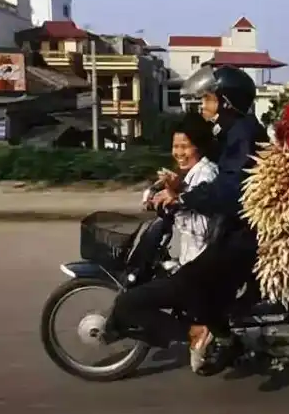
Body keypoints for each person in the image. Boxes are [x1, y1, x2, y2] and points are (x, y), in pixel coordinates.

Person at [152, 65, 269, 375]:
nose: (204, 106)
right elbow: (207, 170)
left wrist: (185, 199)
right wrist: (178, 185)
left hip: (244, 232)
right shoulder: (232, 132)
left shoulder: (242, 133)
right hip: (236, 225)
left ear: (226, 102)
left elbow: (230, 189)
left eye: (209, 99)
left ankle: (228, 341)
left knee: (194, 283)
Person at [104, 112, 220, 350]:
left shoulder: (206, 175)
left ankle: (195, 333)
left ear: (198, 146)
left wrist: (176, 201)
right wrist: (162, 196)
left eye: (185, 147)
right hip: (191, 262)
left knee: (129, 303)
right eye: (175, 147)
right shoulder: (191, 173)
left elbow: (204, 227)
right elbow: (179, 195)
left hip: (199, 269)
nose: (179, 153)